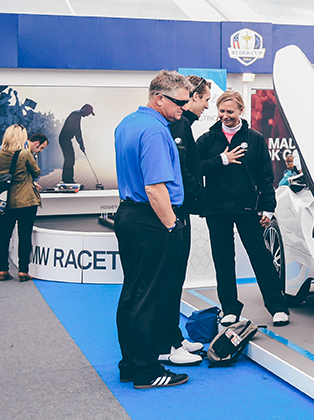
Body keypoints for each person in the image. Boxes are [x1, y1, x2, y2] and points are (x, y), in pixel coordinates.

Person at [113, 70, 192, 389]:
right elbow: (155, 188)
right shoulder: (156, 131)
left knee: (132, 292)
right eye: (179, 103)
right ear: (159, 99)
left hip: (128, 215)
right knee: (151, 296)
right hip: (153, 218)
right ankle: (147, 370)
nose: (184, 108)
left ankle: (130, 365)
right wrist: (172, 226)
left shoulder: (127, 123)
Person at [197, 90, 288, 329]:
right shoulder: (207, 140)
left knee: (261, 256)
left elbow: (266, 176)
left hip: (248, 208)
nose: (225, 116)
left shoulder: (255, 139)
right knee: (223, 259)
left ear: (241, 111)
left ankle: (278, 307)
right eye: (221, 111)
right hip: (216, 209)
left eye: (230, 111)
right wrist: (222, 159)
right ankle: (230, 309)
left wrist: (268, 208)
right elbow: (195, 169)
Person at [156, 74, 211, 367]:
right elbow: (180, 171)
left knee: (175, 279)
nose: (207, 106)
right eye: (205, 99)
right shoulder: (176, 125)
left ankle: (174, 337)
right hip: (174, 211)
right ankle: (166, 343)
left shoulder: (182, 125)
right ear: (192, 97)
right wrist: (200, 192)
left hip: (181, 209)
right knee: (169, 279)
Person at [0, 127, 47, 282]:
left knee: (3, 236)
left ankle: (3, 270)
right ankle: (23, 271)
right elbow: (36, 173)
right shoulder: (24, 154)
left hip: (7, 201)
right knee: (24, 236)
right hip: (26, 201)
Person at [58, 103, 94, 184]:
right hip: (64, 139)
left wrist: (81, 144)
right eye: (88, 113)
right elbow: (77, 131)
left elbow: (78, 132)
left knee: (70, 159)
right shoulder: (76, 114)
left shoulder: (77, 115)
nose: (88, 115)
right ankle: (67, 180)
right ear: (85, 109)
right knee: (69, 159)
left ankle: (67, 179)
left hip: (66, 139)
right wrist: (81, 145)